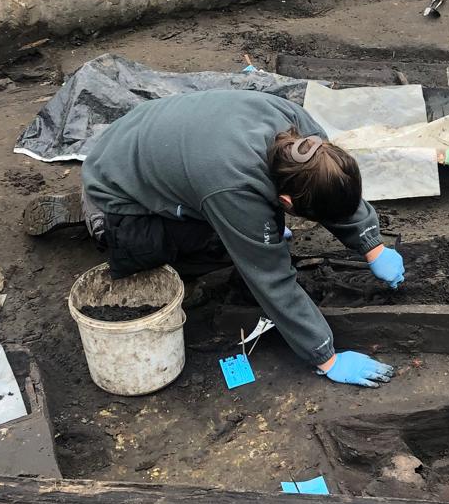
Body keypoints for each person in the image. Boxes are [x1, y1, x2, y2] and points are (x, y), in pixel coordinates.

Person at [73, 91, 405, 388]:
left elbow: (331, 185)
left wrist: (371, 244)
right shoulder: (232, 187)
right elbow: (271, 278)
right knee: (226, 245)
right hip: (114, 189)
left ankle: (165, 198)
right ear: (286, 203)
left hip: (145, 142)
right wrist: (326, 357)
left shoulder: (306, 138)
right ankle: (94, 220)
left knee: (253, 229)